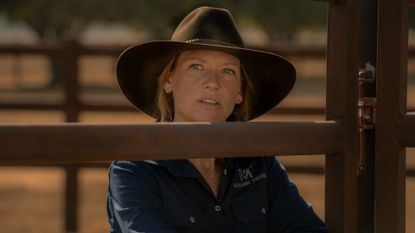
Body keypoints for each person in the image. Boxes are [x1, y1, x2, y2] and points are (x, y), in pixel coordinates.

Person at [107, 6, 327, 233]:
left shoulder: (259, 162)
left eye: (228, 71)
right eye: (196, 66)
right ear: (169, 81)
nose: (212, 82)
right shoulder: (135, 168)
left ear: (240, 92)